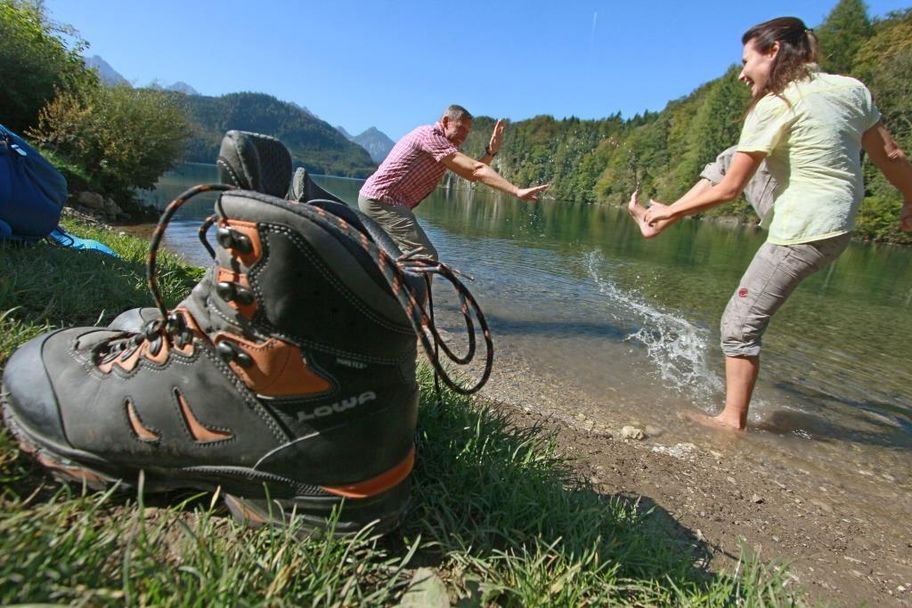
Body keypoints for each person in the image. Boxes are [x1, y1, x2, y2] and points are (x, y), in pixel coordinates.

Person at [628, 16, 912, 431]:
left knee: (738, 325)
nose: (742, 73)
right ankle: (657, 223)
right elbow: (892, 157)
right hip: (839, 223)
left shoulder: (774, 105)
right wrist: (910, 196)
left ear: (774, 51)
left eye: (747, 61)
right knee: (730, 155)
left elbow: (729, 191)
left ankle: (731, 421)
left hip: (804, 229)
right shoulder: (852, 90)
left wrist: (669, 211)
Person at [358, 104, 549, 260]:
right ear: (446, 121)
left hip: (381, 199)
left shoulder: (442, 145)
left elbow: (470, 172)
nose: (465, 135)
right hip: (381, 200)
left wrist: (490, 152)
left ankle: (393, 293)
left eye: (468, 132)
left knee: (398, 254)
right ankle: (409, 304)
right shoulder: (430, 136)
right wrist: (516, 191)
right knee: (425, 256)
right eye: (461, 128)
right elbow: (475, 170)